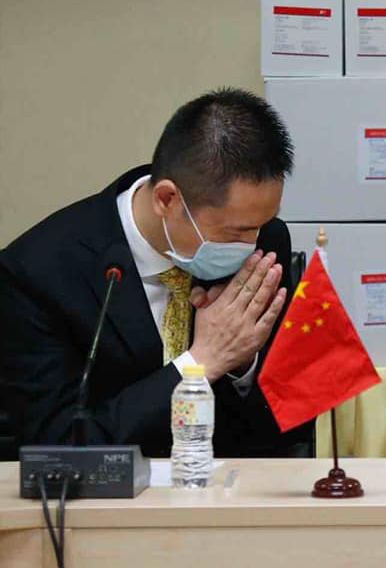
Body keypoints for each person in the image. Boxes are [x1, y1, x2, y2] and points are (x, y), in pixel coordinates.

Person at [0, 88, 313, 457]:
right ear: (167, 199)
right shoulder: (38, 273)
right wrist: (201, 362)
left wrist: (242, 363)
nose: (251, 243)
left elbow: (290, 425)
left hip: (229, 482)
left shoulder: (266, 242)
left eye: (262, 224)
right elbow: (57, 446)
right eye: (235, 232)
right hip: (112, 491)